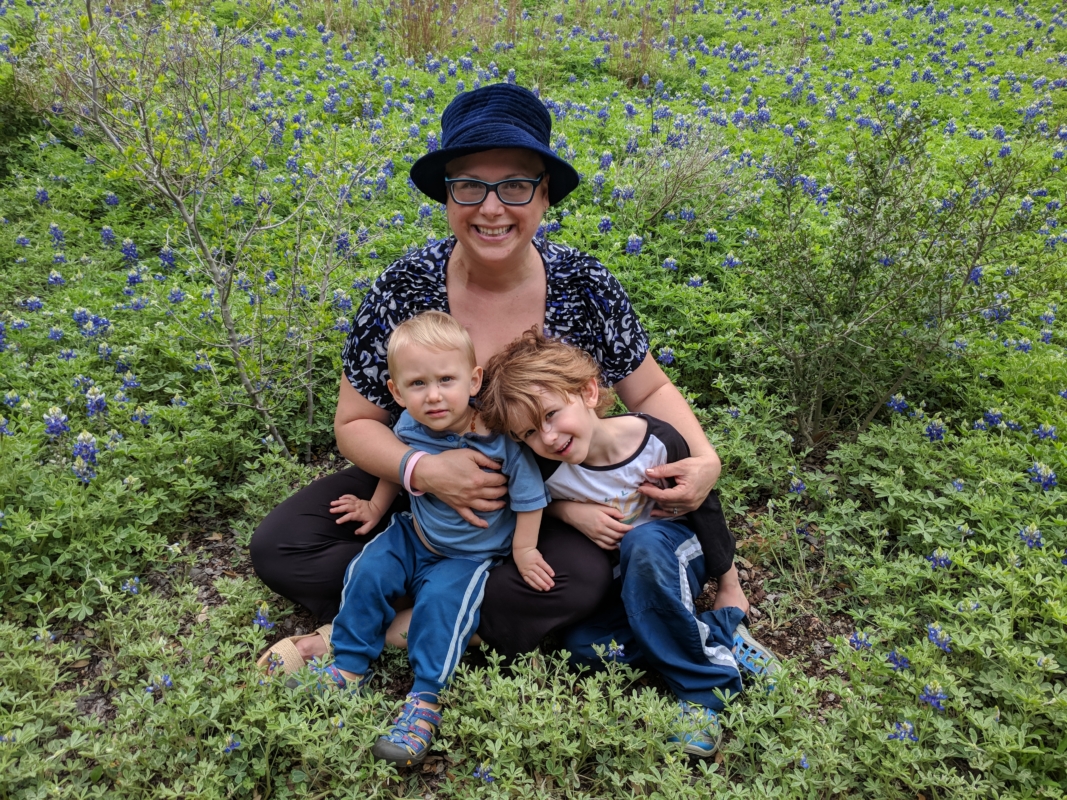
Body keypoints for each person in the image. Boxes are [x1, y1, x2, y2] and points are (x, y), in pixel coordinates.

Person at [251, 82, 756, 682]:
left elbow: (648, 391)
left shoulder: (584, 283)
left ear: (543, 197)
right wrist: (426, 471)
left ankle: (378, 627)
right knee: (281, 546)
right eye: (470, 186)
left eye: (515, 185)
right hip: (420, 461)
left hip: (544, 486)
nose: (491, 208)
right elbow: (356, 422)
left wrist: (706, 460)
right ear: (447, 196)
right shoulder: (405, 284)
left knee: (580, 579)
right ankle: (450, 605)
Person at [477, 329, 778, 757]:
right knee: (583, 648)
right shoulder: (545, 468)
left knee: (645, 541)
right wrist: (569, 512)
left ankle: (703, 692)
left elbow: (705, 508)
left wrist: (729, 584)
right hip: (627, 586)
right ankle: (719, 636)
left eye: (549, 414)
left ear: (588, 391)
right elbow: (527, 509)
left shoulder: (656, 440)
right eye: (527, 433)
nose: (545, 438)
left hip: (673, 552)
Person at [320, 311, 550, 767]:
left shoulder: (501, 439)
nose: (434, 395)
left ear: (474, 379)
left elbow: (531, 497)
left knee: (441, 609)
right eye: (418, 384)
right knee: (366, 570)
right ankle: (346, 666)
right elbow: (398, 469)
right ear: (396, 392)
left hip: (469, 555)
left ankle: (424, 701)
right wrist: (375, 507)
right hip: (416, 534)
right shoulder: (407, 426)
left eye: (446, 379)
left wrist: (524, 550)